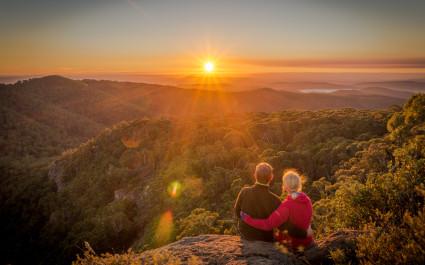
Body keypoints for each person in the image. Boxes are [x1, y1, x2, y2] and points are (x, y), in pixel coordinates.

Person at [240, 169, 314, 250]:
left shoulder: (286, 206)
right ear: (299, 184)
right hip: (308, 241)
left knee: (274, 236)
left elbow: (268, 225)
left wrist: (248, 219)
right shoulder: (307, 200)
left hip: (293, 243)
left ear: (285, 186)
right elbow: (307, 221)